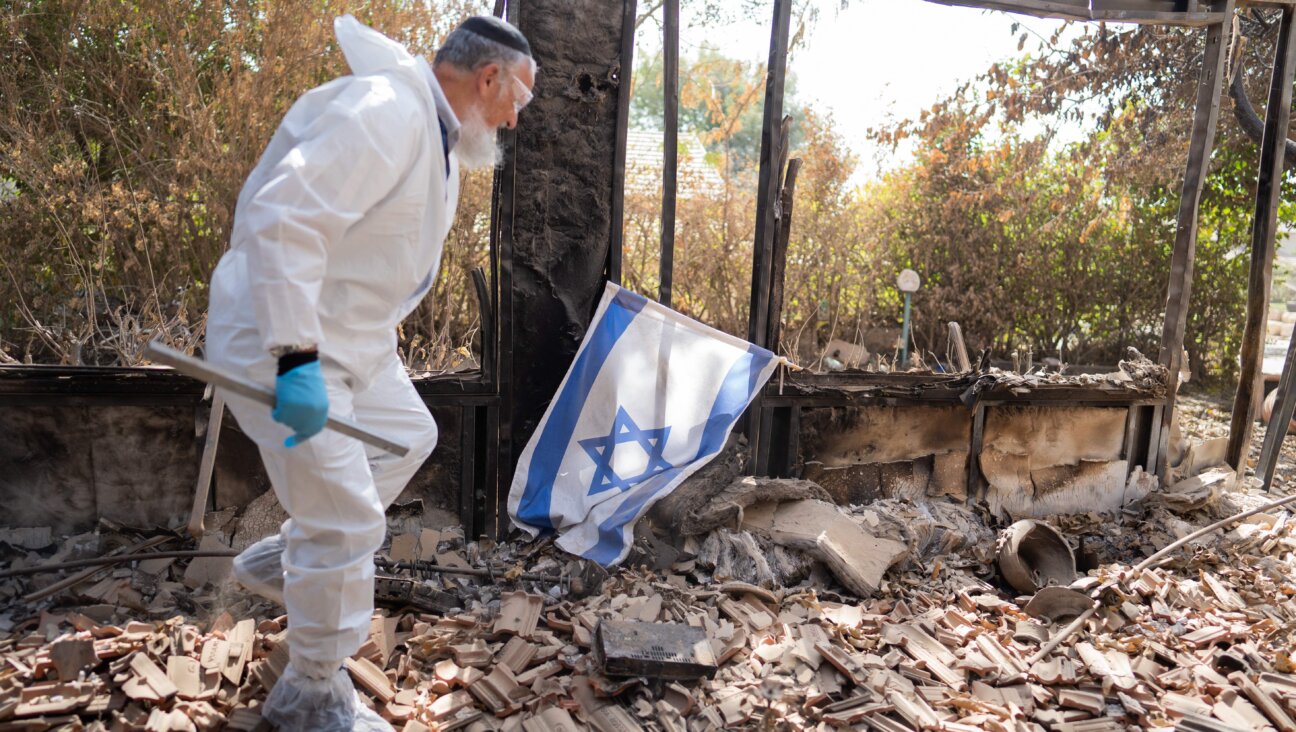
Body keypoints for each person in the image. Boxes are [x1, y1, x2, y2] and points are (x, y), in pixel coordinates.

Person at [204, 14, 533, 732]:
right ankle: (312, 696)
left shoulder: (431, 129)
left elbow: (367, 261)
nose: (513, 119)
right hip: (276, 336)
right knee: (348, 517)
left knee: (403, 433)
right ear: (488, 79)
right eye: (519, 100)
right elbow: (283, 221)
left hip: (349, 345)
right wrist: (294, 364)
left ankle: (293, 558)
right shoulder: (386, 112)